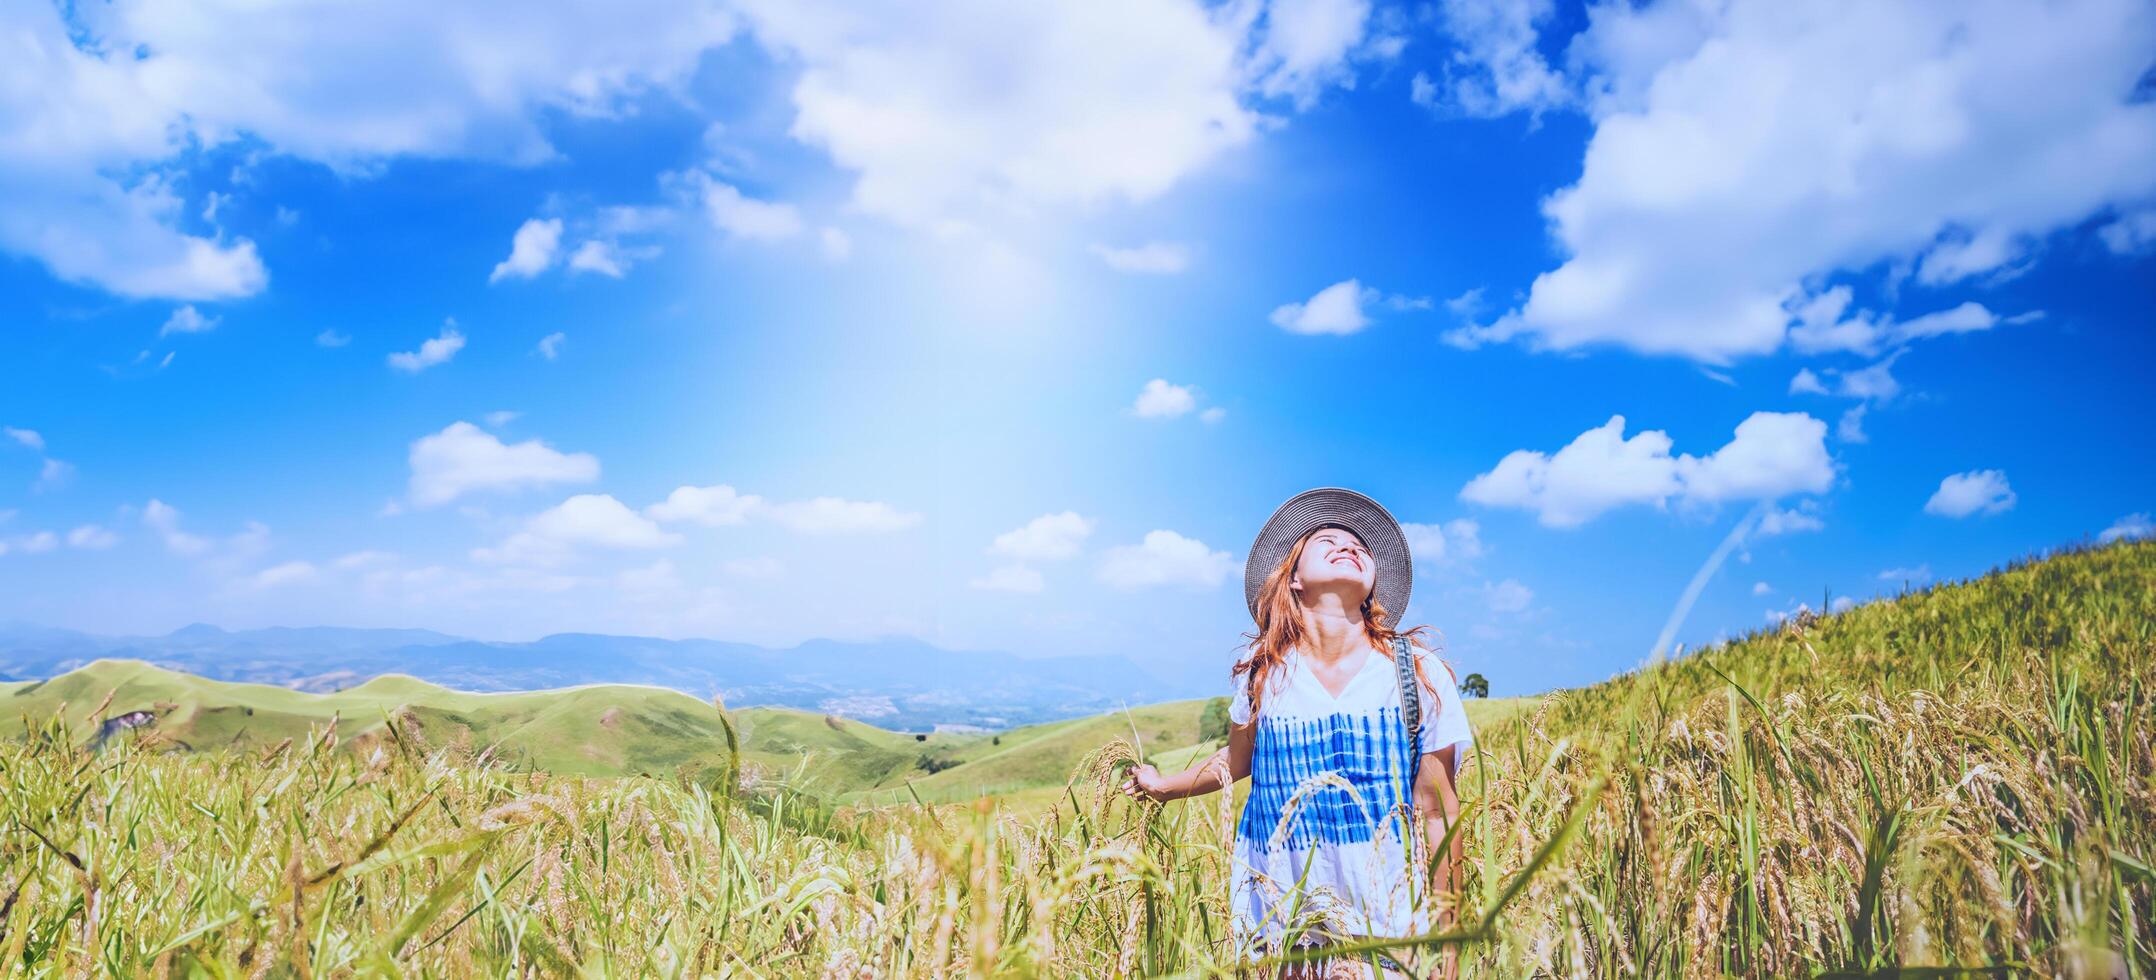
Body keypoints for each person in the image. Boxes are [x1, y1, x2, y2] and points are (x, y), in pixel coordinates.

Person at [1122, 487, 1475, 979]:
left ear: (1373, 586)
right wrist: (1165, 786)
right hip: (1283, 929)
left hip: (1392, 931)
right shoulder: (1263, 675)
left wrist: (1448, 939)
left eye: (1362, 547)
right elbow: (1237, 761)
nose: (1351, 546)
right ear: (1293, 580)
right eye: (1327, 538)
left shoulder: (1416, 673)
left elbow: (1437, 812)